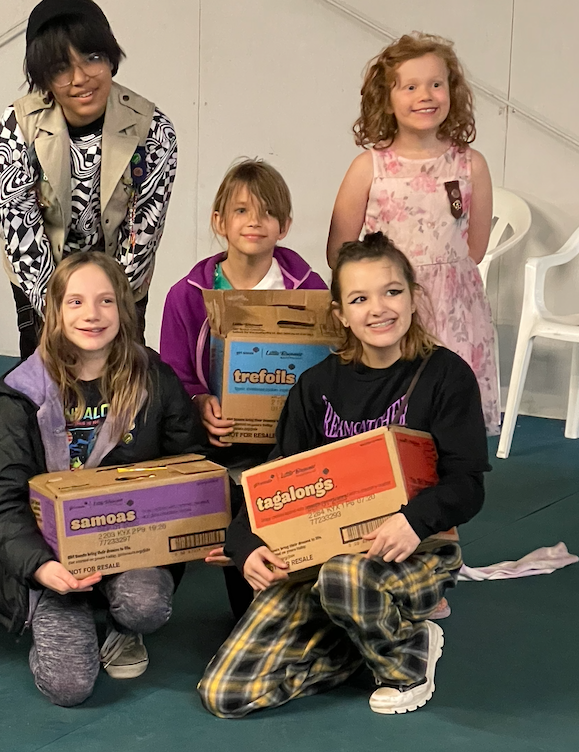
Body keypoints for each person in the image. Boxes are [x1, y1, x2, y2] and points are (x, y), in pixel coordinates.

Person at [199, 232, 489, 718]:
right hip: (321, 555)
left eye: (392, 292)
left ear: (415, 297)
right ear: (340, 315)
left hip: (416, 548)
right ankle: (360, 644)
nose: (378, 308)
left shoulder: (446, 376)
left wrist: (415, 521)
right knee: (226, 694)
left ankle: (404, 658)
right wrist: (244, 545)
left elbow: (468, 484)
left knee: (345, 576)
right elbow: (275, 483)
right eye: (359, 298)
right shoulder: (317, 387)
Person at [0, 251, 205, 706]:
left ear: (123, 309)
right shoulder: (24, 391)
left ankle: (122, 624)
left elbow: (189, 466)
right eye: (76, 302)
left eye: (105, 301)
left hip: (130, 547)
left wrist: (197, 527)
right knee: (69, 689)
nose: (92, 314)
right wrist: (43, 568)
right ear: (56, 312)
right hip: (51, 559)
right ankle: (64, 611)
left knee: (146, 604)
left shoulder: (154, 379)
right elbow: (2, 499)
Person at [159, 157, 326, 618]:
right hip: (215, 440)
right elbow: (174, 372)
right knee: (231, 504)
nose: (255, 222)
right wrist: (200, 402)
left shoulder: (309, 291)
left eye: (268, 212)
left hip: (283, 442)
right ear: (219, 222)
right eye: (241, 211)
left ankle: (281, 589)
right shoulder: (187, 293)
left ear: (285, 225)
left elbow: (322, 370)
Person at [0, 0, 178, 359]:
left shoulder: (153, 130)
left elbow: (142, 235)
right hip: (42, 278)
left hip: (121, 278)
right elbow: (22, 233)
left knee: (122, 377)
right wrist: (61, 316)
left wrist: (108, 310)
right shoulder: (15, 129)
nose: (80, 78)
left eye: (92, 58)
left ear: (110, 58)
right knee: (45, 380)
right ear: (43, 77)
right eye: (60, 68)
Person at [327, 32, 499, 435]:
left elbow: (474, 247)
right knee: (392, 411)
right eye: (410, 86)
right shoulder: (368, 168)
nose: (426, 95)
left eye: (436, 84)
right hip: (389, 310)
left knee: (448, 413)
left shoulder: (472, 165)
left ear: (452, 91)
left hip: (455, 312)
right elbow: (340, 251)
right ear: (387, 98)